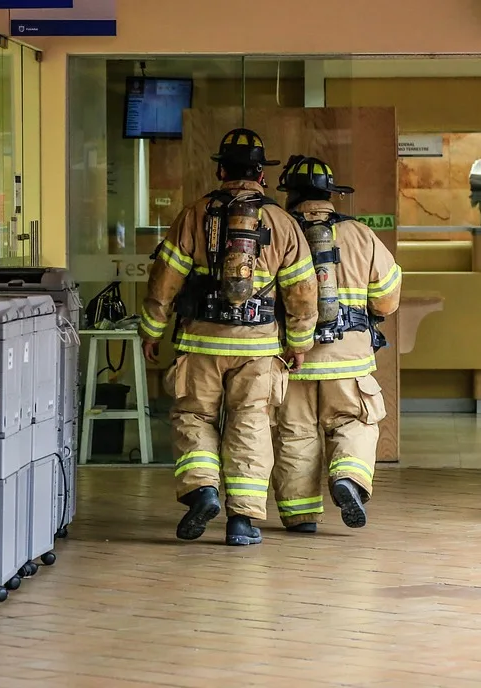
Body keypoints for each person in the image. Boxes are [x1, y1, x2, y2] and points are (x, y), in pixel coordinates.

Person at [139, 128, 318, 546]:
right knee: (251, 423)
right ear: (261, 174)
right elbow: (303, 292)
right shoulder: (282, 222)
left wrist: (151, 330)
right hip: (258, 348)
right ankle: (243, 521)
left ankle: (203, 490)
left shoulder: (194, 215)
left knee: (194, 416)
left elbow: (163, 280)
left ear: (220, 169)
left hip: (201, 342)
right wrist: (300, 344)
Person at [270, 155, 402, 534]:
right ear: (331, 193)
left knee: (295, 434)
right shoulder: (362, 235)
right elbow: (387, 300)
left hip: (290, 357)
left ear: (290, 195)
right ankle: (348, 479)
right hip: (349, 359)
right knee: (355, 422)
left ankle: (300, 517)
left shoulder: (280, 231)